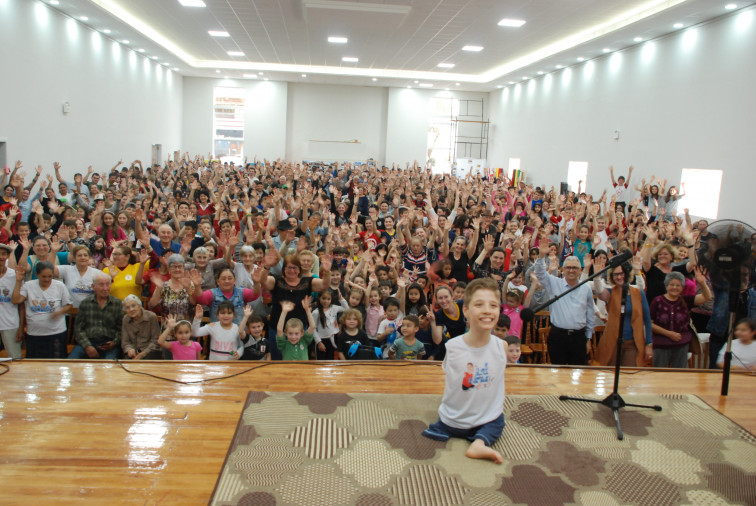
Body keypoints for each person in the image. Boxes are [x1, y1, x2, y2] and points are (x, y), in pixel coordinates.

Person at [421, 278, 507, 464]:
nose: (487, 310)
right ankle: (481, 440)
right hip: (460, 420)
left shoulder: (503, 347)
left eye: (493, 305)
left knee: (497, 418)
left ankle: (478, 444)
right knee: (498, 421)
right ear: (465, 311)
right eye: (479, 304)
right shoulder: (452, 347)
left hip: (459, 421)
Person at [534, 239, 596, 366]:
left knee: (578, 375)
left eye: (575, 268)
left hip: (579, 338)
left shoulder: (586, 288)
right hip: (558, 336)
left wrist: (588, 338)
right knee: (557, 375)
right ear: (563, 269)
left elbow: (590, 314)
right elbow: (540, 274)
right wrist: (541, 256)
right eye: (568, 267)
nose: (571, 270)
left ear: (580, 270)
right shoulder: (554, 283)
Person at [594, 262, 653, 367]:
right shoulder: (610, 292)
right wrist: (597, 277)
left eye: (622, 273)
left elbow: (647, 320)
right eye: (616, 274)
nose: (619, 277)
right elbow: (600, 291)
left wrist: (649, 344)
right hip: (613, 342)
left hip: (632, 342)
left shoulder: (639, 293)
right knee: (610, 375)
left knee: (628, 375)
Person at [650, 270, 711, 368]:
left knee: (680, 374)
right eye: (671, 284)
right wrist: (669, 334)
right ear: (666, 286)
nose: (674, 287)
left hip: (681, 344)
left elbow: (707, 297)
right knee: (659, 374)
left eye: (678, 285)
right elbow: (650, 323)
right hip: (661, 345)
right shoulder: (657, 301)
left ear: (682, 287)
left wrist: (702, 283)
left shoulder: (686, 300)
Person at [12, 261, 72, 358]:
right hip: (34, 333)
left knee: (57, 363)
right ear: (37, 275)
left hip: (56, 333)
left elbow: (69, 305)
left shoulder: (59, 286)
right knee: (35, 364)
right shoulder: (28, 285)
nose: (47, 279)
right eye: (44, 276)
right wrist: (19, 281)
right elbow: (16, 300)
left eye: (50, 276)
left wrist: (59, 312)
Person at [68, 274, 124, 359]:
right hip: (88, 341)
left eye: (107, 284)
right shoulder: (85, 303)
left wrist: (114, 343)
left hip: (109, 345)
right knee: (70, 362)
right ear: (93, 287)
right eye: (101, 285)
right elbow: (78, 329)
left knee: (110, 367)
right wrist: (87, 346)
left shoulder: (118, 303)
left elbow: (121, 328)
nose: (105, 288)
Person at [121, 294, 162, 360]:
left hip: (150, 351)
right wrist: (129, 350)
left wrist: (143, 353)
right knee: (126, 364)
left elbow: (155, 340)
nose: (131, 309)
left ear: (140, 306)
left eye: (133, 306)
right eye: (127, 307)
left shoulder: (151, 317)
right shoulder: (125, 319)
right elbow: (125, 342)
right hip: (134, 352)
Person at [0, 244, 24, 359]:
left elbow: (21, 304)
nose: (0, 257)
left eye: (3, 254)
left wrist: (21, 327)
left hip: (10, 324)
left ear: (8, 256)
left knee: (15, 360)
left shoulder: (15, 275)